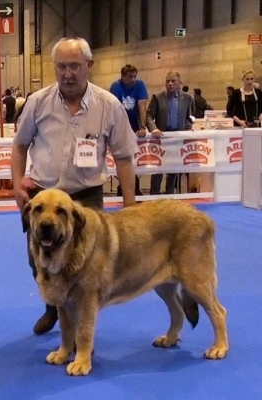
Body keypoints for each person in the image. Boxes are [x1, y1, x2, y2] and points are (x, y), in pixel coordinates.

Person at [11, 37, 138, 335]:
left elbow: (123, 157)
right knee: (39, 258)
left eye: (74, 66)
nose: (68, 74)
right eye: (62, 67)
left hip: (85, 200)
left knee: (87, 267)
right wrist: (17, 185)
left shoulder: (109, 106)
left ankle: (81, 327)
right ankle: (52, 308)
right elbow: (19, 146)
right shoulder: (37, 102)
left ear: (88, 66)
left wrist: (130, 207)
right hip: (42, 196)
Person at [146, 71, 193, 195]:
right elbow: (149, 116)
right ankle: (154, 196)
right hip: (160, 138)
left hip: (177, 139)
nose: (170, 84)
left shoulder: (187, 98)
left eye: (173, 81)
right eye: (168, 81)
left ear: (179, 83)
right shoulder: (157, 97)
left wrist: (188, 129)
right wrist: (153, 129)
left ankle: (170, 195)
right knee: (157, 171)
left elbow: (188, 117)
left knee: (173, 170)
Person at [109, 64, 149, 196]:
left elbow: (142, 107)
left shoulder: (140, 85)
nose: (133, 79)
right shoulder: (115, 87)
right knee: (124, 160)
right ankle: (126, 189)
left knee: (136, 161)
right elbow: (116, 109)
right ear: (122, 77)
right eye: (130, 77)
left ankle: (133, 189)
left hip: (135, 124)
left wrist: (143, 127)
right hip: (120, 124)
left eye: (134, 76)